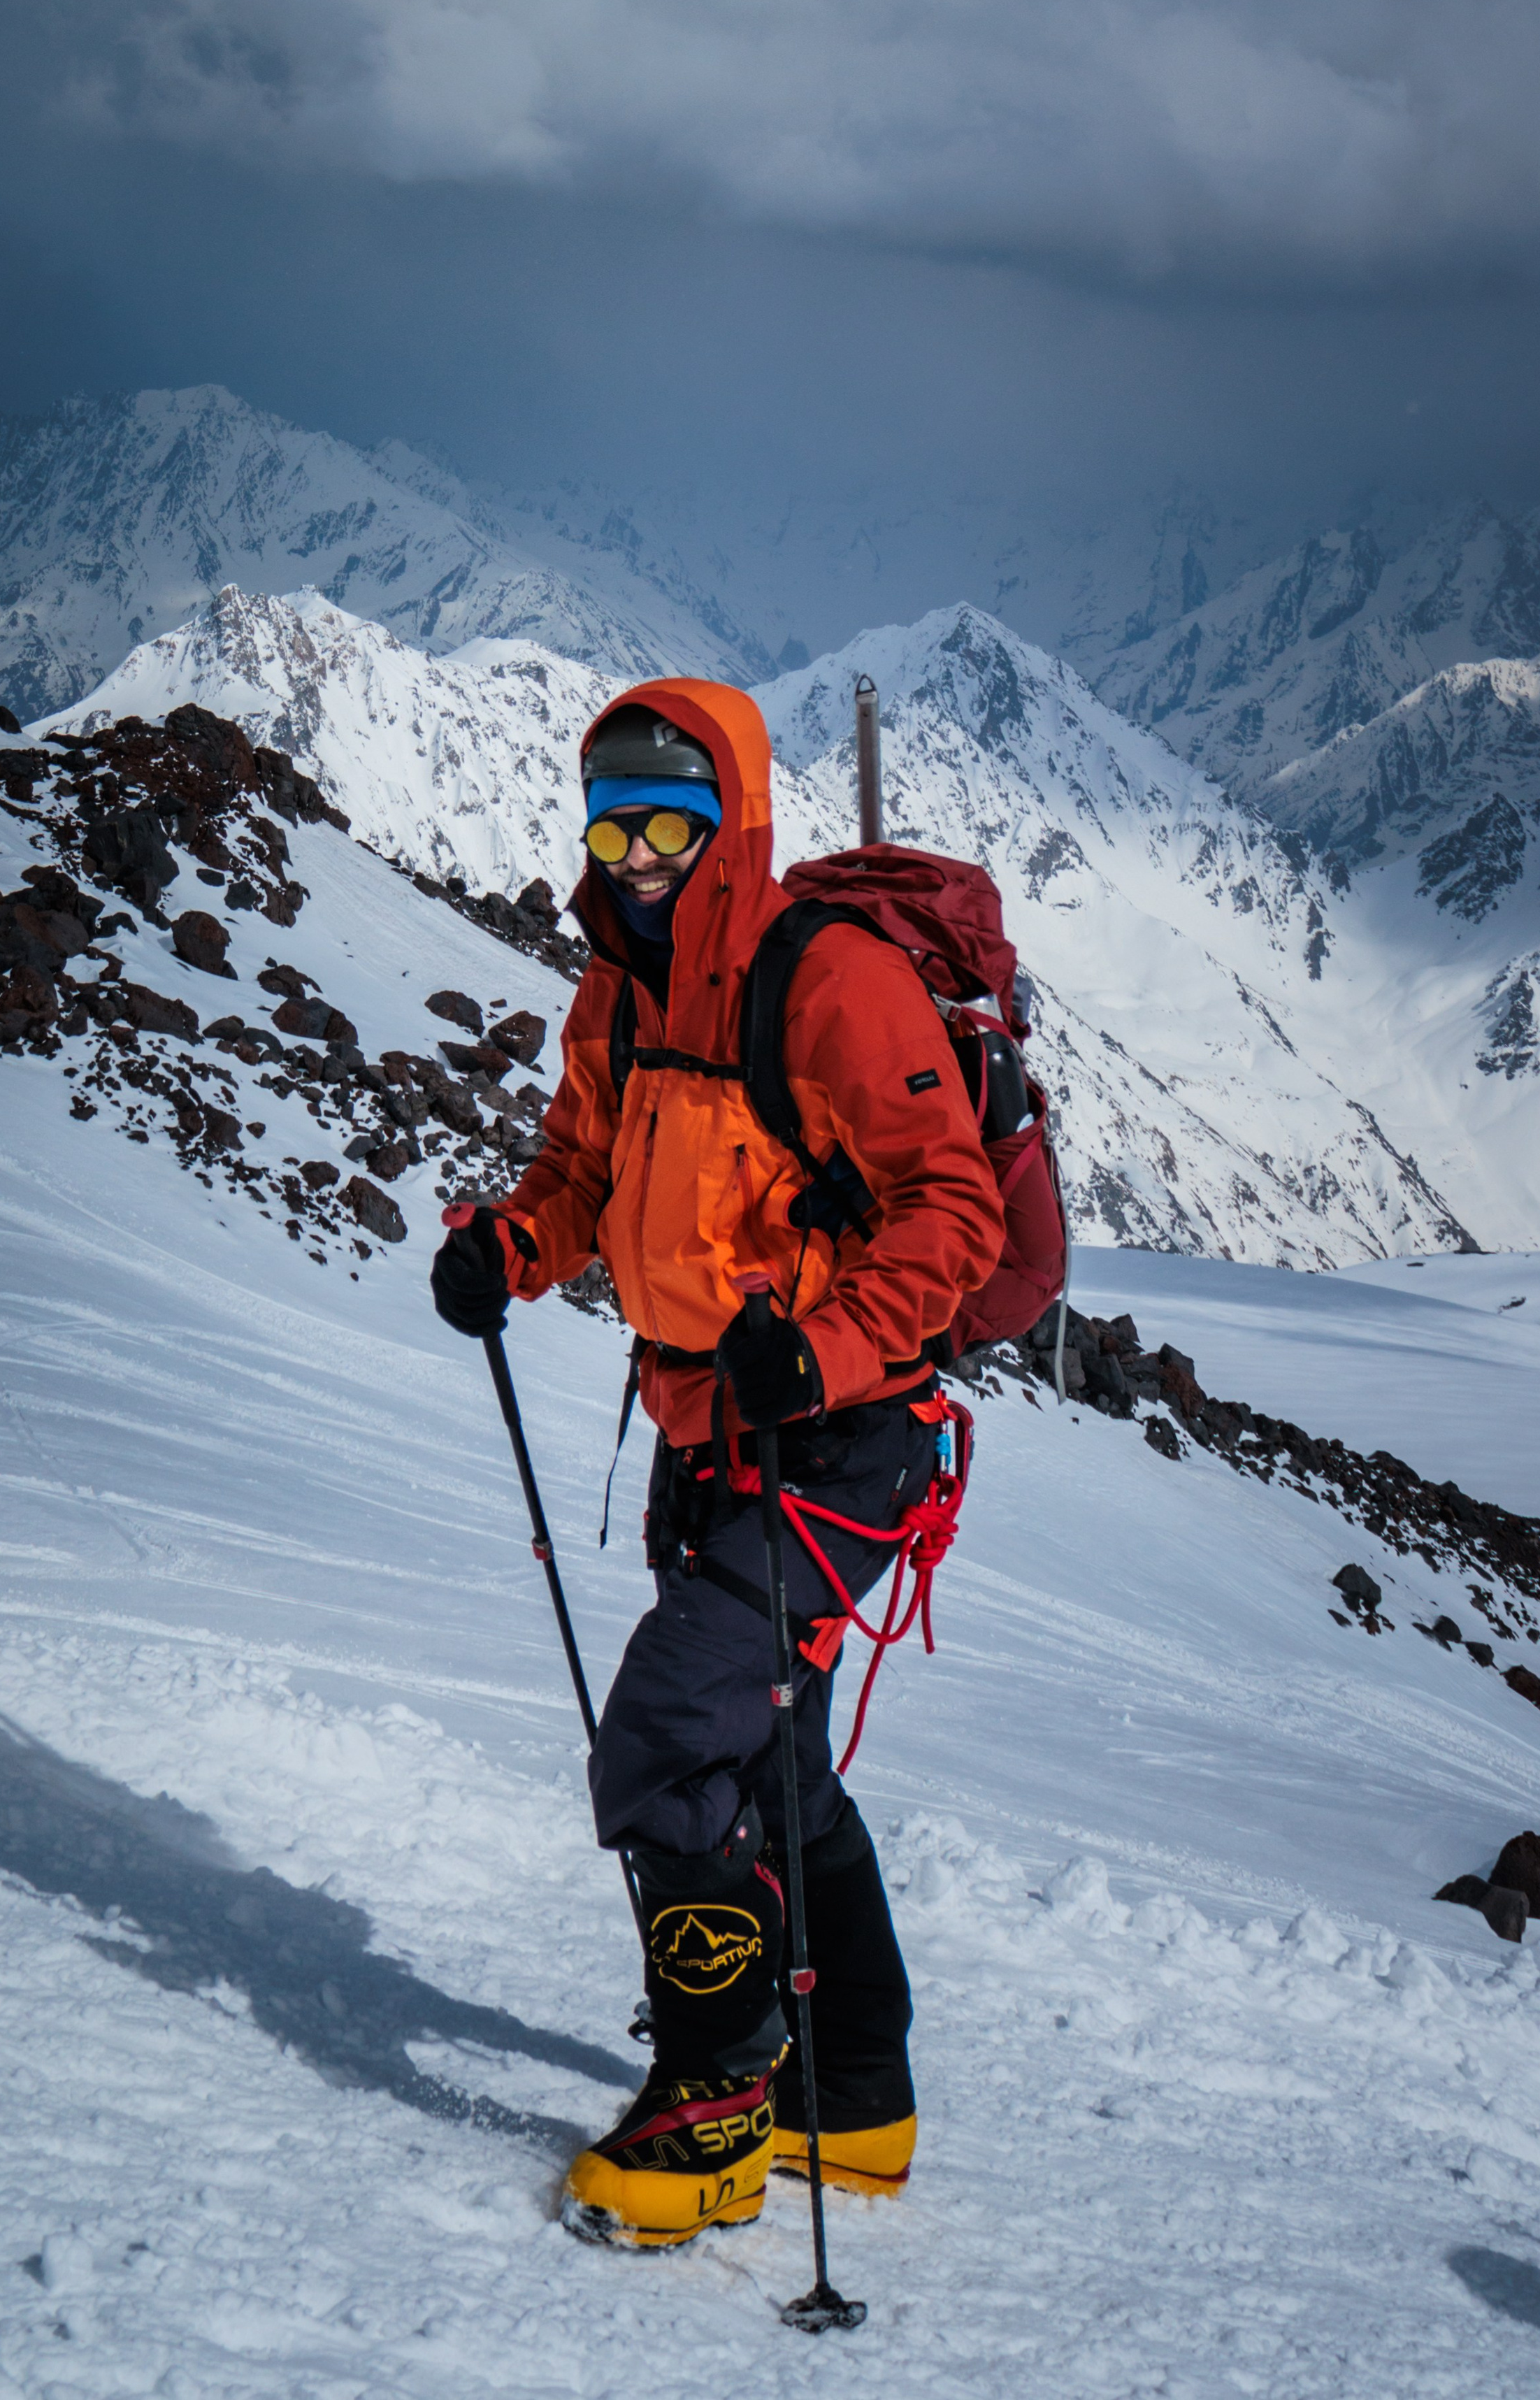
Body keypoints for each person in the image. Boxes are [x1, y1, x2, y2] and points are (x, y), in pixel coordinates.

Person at [430, 681, 1005, 2250]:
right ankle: (854, 2099)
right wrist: (509, 1247)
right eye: (607, 822)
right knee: (770, 1761)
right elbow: (583, 1175)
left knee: (671, 1745)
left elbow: (952, 1215)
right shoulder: (613, 988)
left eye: (664, 826)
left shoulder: (826, 986)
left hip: (842, 1438)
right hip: (709, 1433)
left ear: (729, 822)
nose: (630, 856)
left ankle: (715, 2101)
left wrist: (820, 1349)